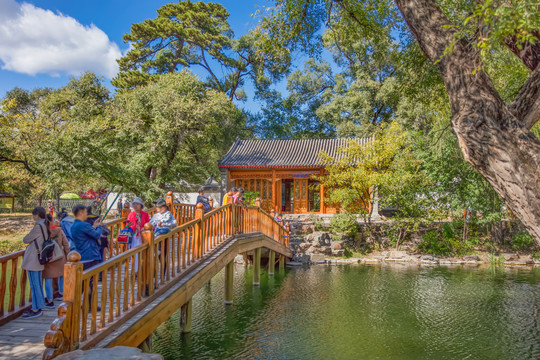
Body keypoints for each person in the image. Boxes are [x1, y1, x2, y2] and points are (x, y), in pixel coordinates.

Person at [20, 207, 49, 319]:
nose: (33, 217)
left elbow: (26, 239)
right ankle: (38, 306)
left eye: (33, 215)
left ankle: (36, 308)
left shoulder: (38, 226)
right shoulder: (46, 224)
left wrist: (28, 236)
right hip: (41, 256)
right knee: (37, 283)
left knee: (34, 284)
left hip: (34, 258)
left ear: (37, 215)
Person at [43, 215, 69, 306]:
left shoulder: (44, 231)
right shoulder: (59, 230)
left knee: (48, 278)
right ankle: (61, 293)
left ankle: (50, 300)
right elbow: (66, 244)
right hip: (60, 256)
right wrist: (67, 256)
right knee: (61, 275)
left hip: (48, 258)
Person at [126, 197, 149, 269]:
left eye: (137, 204)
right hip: (133, 235)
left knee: (142, 253)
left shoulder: (145, 214)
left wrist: (144, 228)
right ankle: (135, 270)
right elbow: (127, 225)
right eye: (134, 204)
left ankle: (141, 269)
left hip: (142, 236)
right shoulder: (131, 214)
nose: (136, 206)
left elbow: (148, 224)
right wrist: (128, 226)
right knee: (134, 252)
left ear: (141, 206)